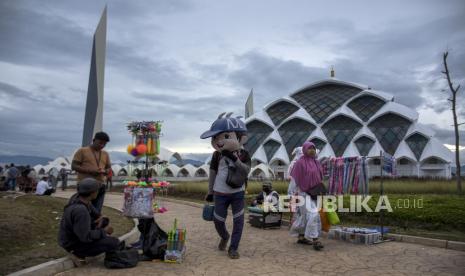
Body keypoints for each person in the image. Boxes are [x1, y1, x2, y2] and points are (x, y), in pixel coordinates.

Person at [201, 113, 250, 259]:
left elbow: (246, 170)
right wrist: (210, 191)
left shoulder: (244, 154)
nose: (220, 141)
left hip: (238, 192)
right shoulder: (216, 156)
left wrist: (234, 159)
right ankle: (224, 236)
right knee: (218, 220)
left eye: (226, 136)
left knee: (238, 220)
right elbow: (212, 173)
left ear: (241, 138)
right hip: (220, 192)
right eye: (216, 138)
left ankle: (233, 248)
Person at [58, 178, 120, 265]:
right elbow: (85, 237)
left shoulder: (80, 198)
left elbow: (98, 215)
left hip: (75, 236)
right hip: (73, 244)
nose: (98, 192)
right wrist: (103, 231)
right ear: (93, 193)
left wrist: (102, 219)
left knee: (105, 221)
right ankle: (78, 254)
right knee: (113, 242)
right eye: (97, 190)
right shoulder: (81, 210)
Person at [289, 141, 324, 251]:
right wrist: (292, 193)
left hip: (315, 192)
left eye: (313, 148)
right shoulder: (300, 162)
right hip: (303, 193)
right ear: (304, 150)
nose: (312, 150)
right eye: (309, 148)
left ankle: (301, 237)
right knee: (313, 214)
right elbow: (295, 179)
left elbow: (320, 177)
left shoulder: (317, 162)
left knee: (304, 216)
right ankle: (315, 239)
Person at [72, 132, 111, 213]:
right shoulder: (82, 151)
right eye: (100, 143)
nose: (102, 146)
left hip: (100, 186)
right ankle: (84, 224)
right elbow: (74, 166)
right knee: (84, 209)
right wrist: (90, 171)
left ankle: (94, 225)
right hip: (85, 186)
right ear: (94, 140)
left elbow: (108, 168)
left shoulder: (105, 154)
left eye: (104, 144)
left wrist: (105, 171)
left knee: (97, 211)